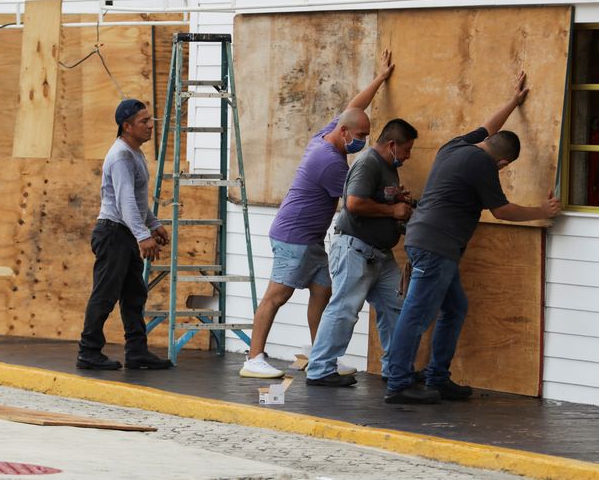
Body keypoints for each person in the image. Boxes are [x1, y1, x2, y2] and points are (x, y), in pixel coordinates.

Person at [384, 72, 561, 404]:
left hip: (433, 243)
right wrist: (543, 210)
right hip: (436, 246)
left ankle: (437, 377)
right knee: (417, 313)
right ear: (503, 162)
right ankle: (398, 383)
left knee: (455, 307)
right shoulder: (483, 165)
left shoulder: (457, 146)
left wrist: (513, 101)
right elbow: (503, 210)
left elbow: (489, 127)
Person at [239, 50, 396, 378]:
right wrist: (392, 202)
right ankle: (253, 358)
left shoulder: (325, 137)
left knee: (323, 290)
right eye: (361, 137)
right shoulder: (330, 163)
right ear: (344, 133)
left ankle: (319, 352)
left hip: (309, 239)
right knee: (277, 295)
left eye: (367, 137)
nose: (363, 143)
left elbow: (355, 105)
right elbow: (356, 201)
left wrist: (380, 79)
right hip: (293, 236)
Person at [305, 119, 418, 387]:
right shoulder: (369, 163)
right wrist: (393, 211)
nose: (408, 156)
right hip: (356, 249)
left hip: (379, 252)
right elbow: (354, 203)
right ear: (392, 144)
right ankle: (320, 370)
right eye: (406, 149)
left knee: (395, 307)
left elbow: (373, 198)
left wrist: (396, 200)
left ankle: (395, 369)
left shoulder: (388, 167)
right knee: (344, 308)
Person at [76, 98, 173, 371]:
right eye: (144, 121)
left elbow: (138, 198)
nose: (150, 125)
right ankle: (88, 351)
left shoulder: (134, 152)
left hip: (126, 232)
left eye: (150, 119)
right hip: (113, 233)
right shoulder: (120, 155)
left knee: (134, 294)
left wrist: (153, 224)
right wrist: (143, 236)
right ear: (126, 126)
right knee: (105, 294)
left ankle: (137, 351)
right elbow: (124, 201)